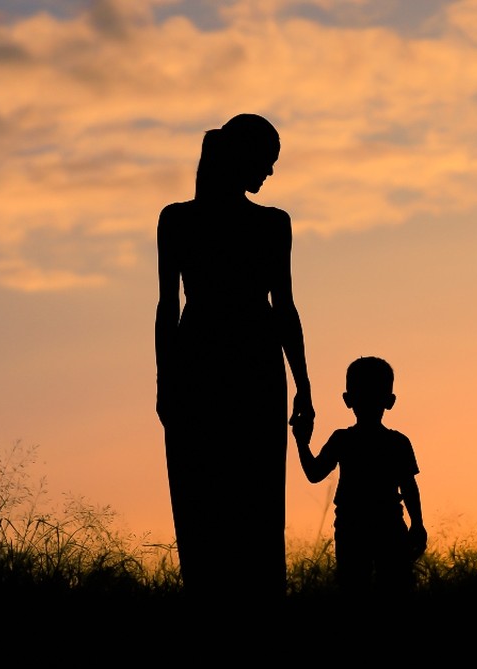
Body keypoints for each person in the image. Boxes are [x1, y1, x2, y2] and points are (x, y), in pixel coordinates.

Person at [155, 113, 314, 603]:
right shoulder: (179, 219)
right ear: (241, 159)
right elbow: (168, 306)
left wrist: (304, 387)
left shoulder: (269, 223)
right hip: (211, 365)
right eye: (265, 163)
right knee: (203, 495)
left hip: (243, 368)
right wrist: (166, 384)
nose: (268, 174)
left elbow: (285, 307)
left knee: (253, 498)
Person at [296, 356, 427, 598]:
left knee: (355, 589)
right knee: (392, 588)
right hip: (384, 524)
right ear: (390, 401)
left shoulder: (344, 440)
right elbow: (409, 486)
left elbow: (314, 473)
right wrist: (417, 524)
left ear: (347, 400)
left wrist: (301, 442)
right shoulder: (397, 442)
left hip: (353, 526)